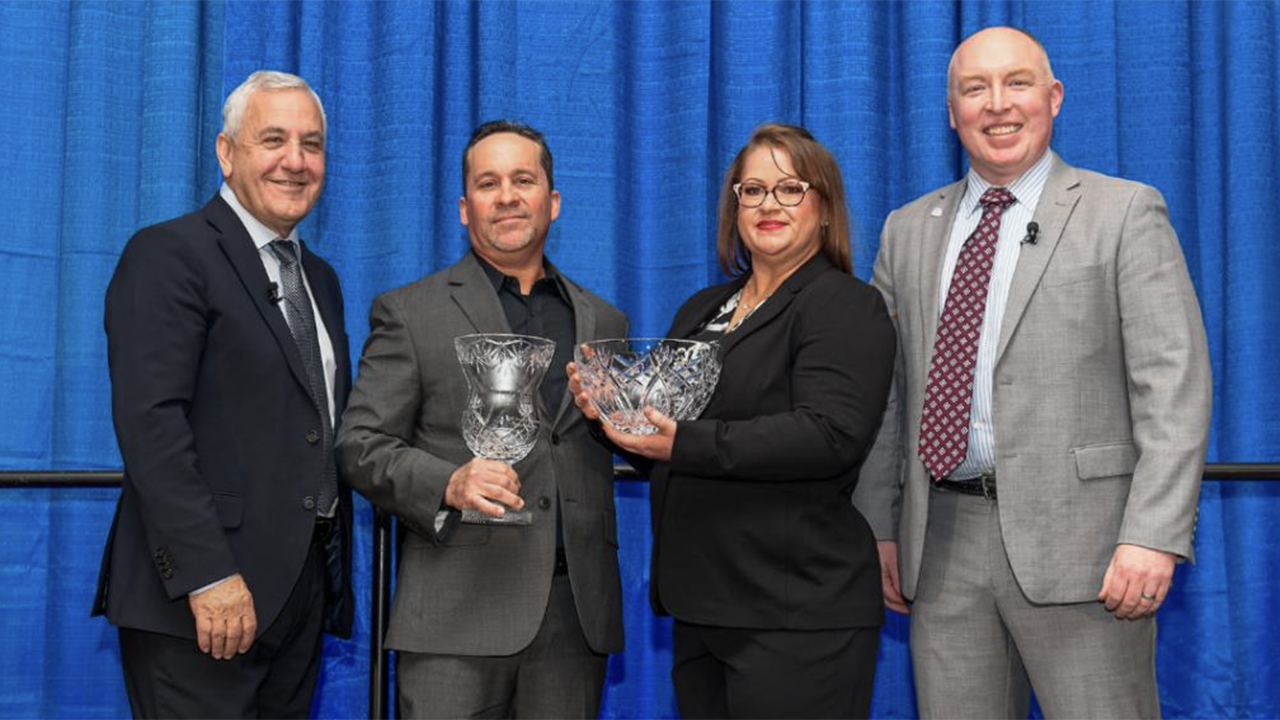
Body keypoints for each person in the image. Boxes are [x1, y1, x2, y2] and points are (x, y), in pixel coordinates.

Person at [854, 26, 1212, 719]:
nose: (997, 105)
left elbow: (1174, 386)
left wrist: (1154, 534)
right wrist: (881, 526)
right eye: (974, 89)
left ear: (1054, 98)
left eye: (1017, 83)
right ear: (951, 111)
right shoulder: (906, 230)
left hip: (1092, 552)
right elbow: (889, 398)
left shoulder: (1124, 212)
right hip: (942, 545)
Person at [571, 123, 896, 718]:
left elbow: (829, 435)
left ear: (824, 209)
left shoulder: (847, 306)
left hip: (795, 612)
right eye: (752, 190)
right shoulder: (702, 308)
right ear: (734, 207)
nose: (769, 203)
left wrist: (687, 442)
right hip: (703, 605)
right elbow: (659, 430)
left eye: (790, 188)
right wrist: (605, 411)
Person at [336, 120, 628, 719]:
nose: (507, 195)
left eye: (523, 179)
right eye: (488, 183)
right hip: (454, 621)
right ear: (465, 209)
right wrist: (448, 482)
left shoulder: (606, 321)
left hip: (574, 622)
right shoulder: (410, 312)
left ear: (553, 200)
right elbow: (360, 444)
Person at [92, 71, 353, 718]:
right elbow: (151, 425)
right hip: (202, 604)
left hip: (298, 595)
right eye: (274, 140)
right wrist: (207, 573)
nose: (296, 161)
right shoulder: (169, 254)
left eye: (312, 144)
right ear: (226, 151)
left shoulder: (319, 278)